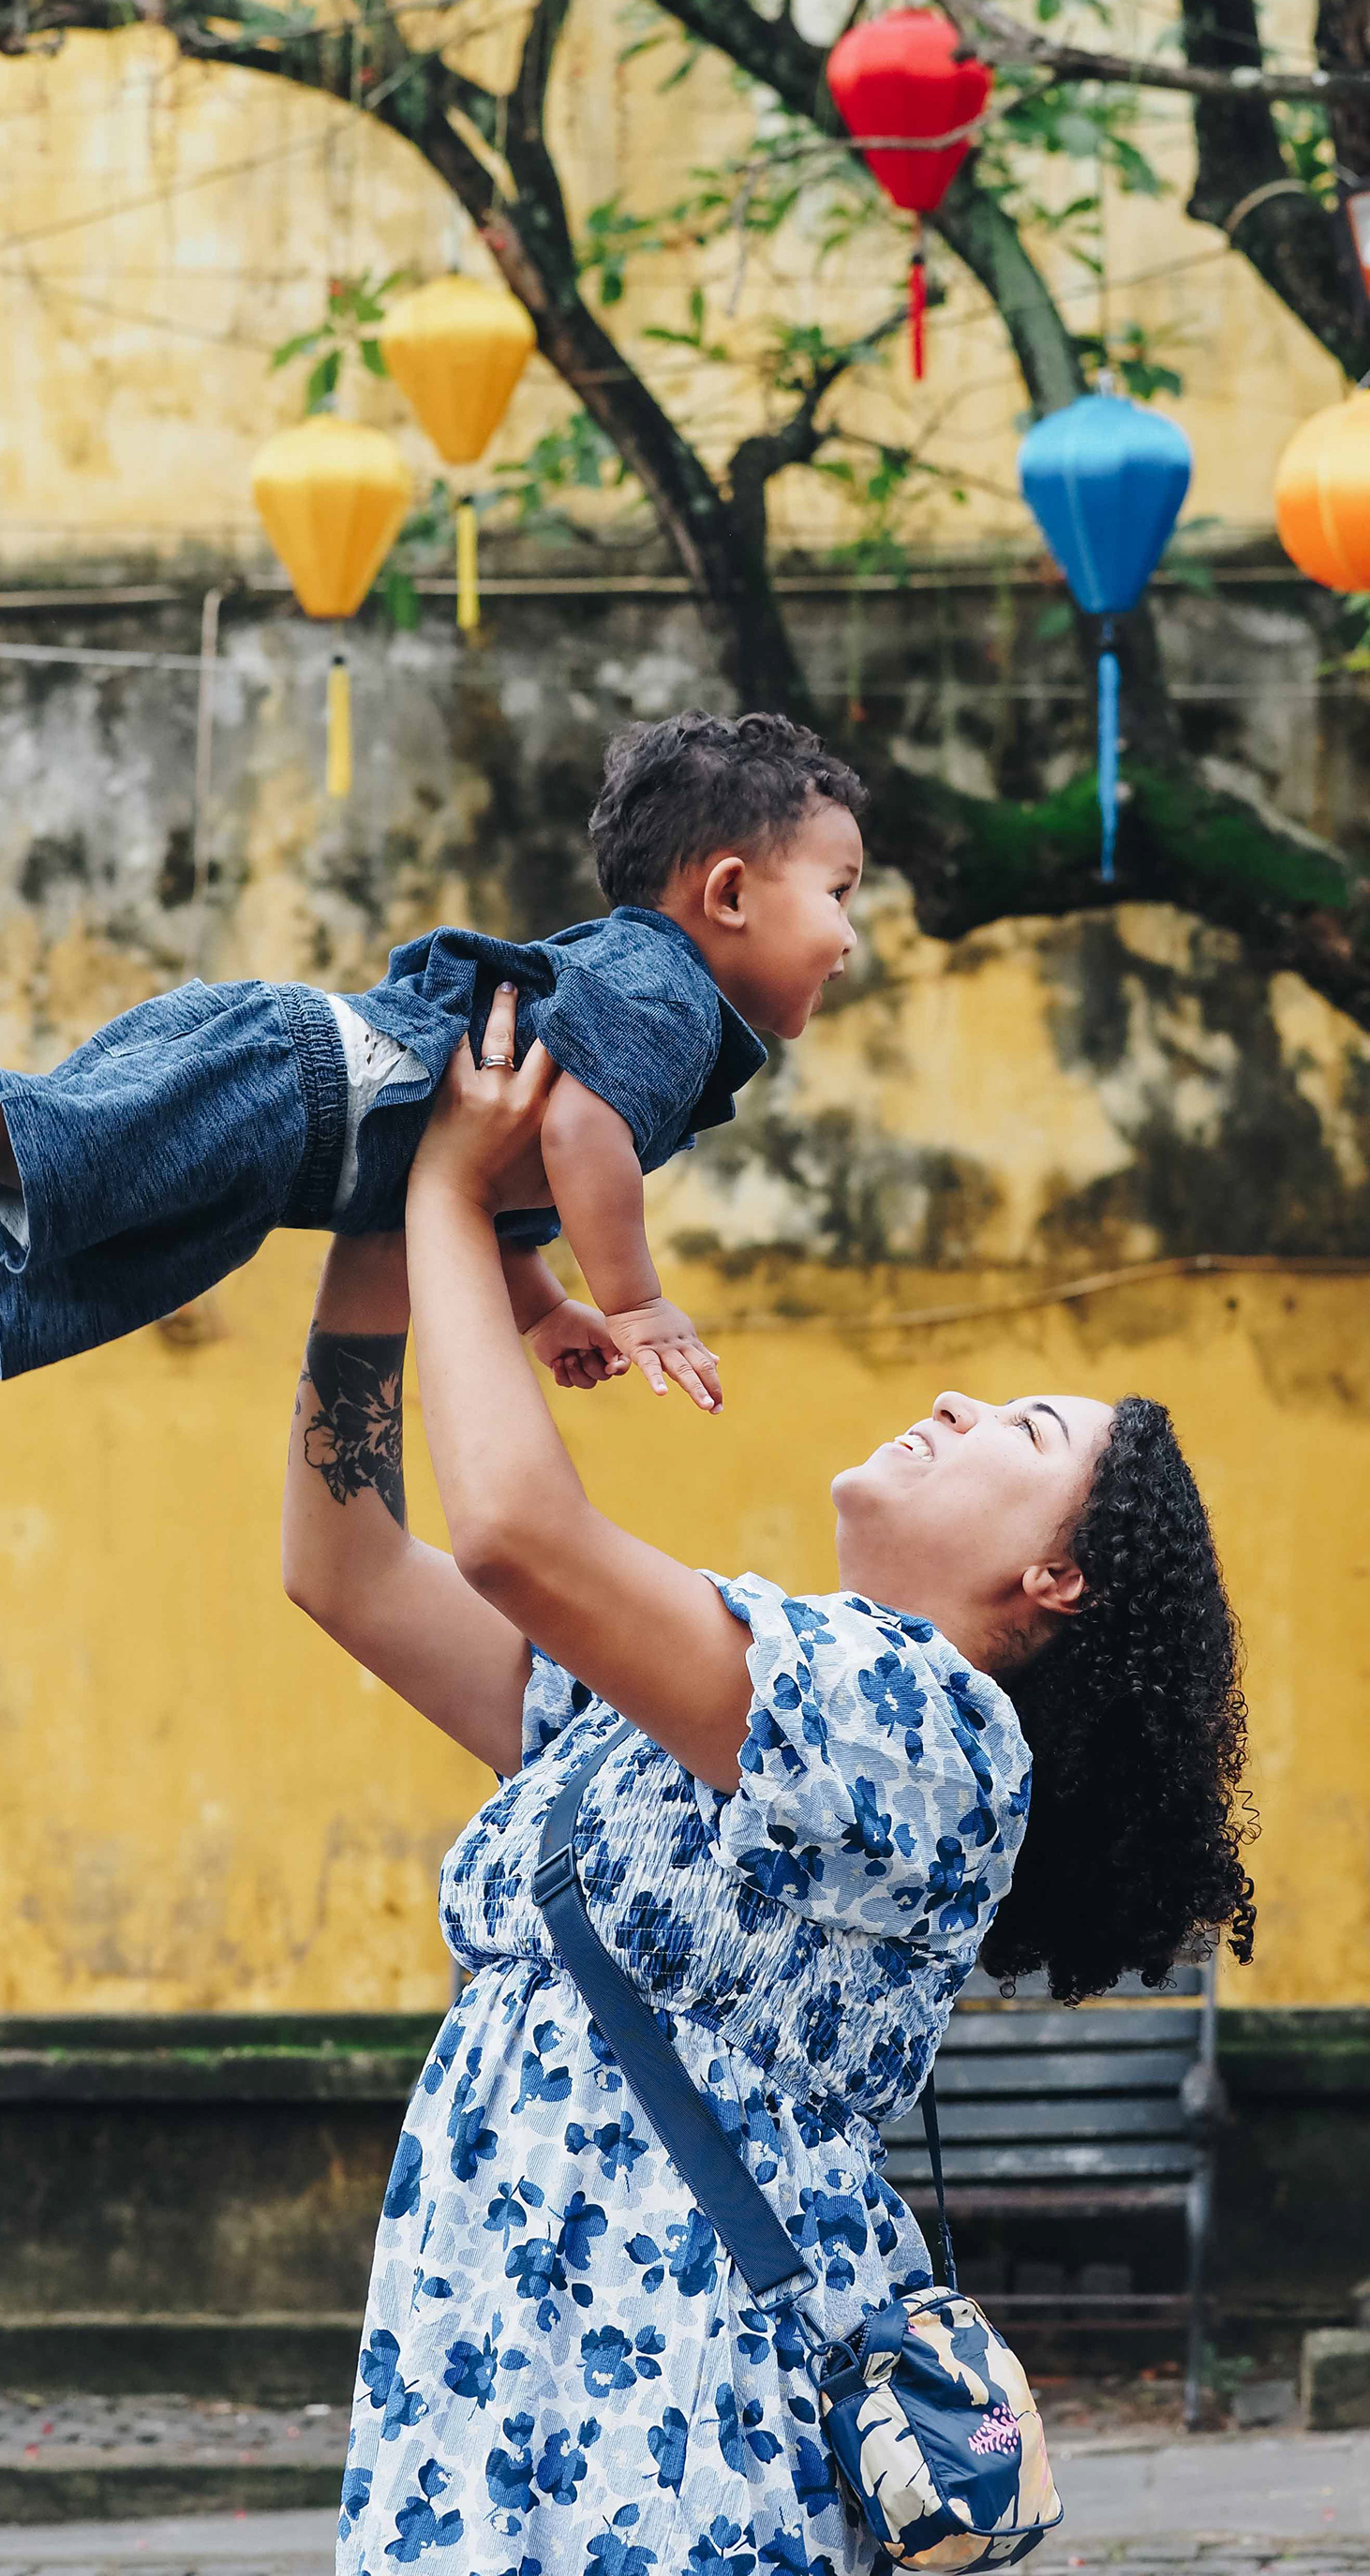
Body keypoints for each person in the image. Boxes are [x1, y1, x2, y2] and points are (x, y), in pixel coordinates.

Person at [282, 984, 1256, 2576]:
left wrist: (451, 1192)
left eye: (1022, 1430)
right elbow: (351, 1573)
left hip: (668, 2388)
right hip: (497, 2358)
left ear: (1058, 1580)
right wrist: (377, 1221)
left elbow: (516, 1537)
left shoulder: (922, 1730)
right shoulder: (728, 1694)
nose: (954, 1403)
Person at [0, 712, 866, 1407]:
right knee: (51, 1135)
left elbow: (496, 1190)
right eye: (841, 892)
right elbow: (579, 1136)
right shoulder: (665, 987)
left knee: (50, 1246)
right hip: (295, 1085)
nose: (853, 937)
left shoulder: (652, 1010)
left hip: (293, 1156)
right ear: (729, 892)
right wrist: (637, 1301)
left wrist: (545, 1312)